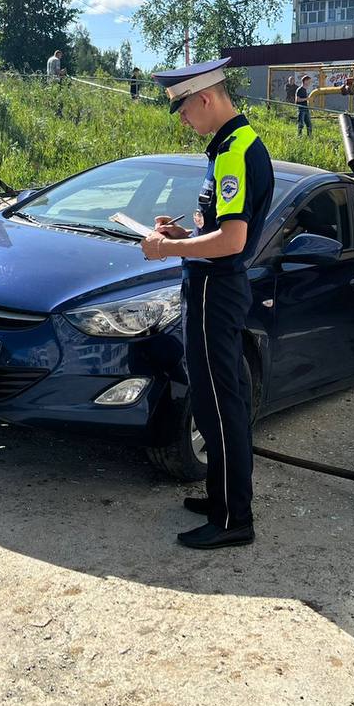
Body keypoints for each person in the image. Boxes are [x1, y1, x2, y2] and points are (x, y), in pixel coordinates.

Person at [141, 56, 275, 550]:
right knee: (218, 400)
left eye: (182, 107)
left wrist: (168, 249)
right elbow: (216, 229)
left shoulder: (236, 151)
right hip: (210, 287)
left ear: (205, 97)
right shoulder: (227, 149)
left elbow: (234, 240)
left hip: (215, 290)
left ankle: (233, 518)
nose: (181, 119)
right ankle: (222, 499)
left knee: (219, 404)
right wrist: (181, 235)